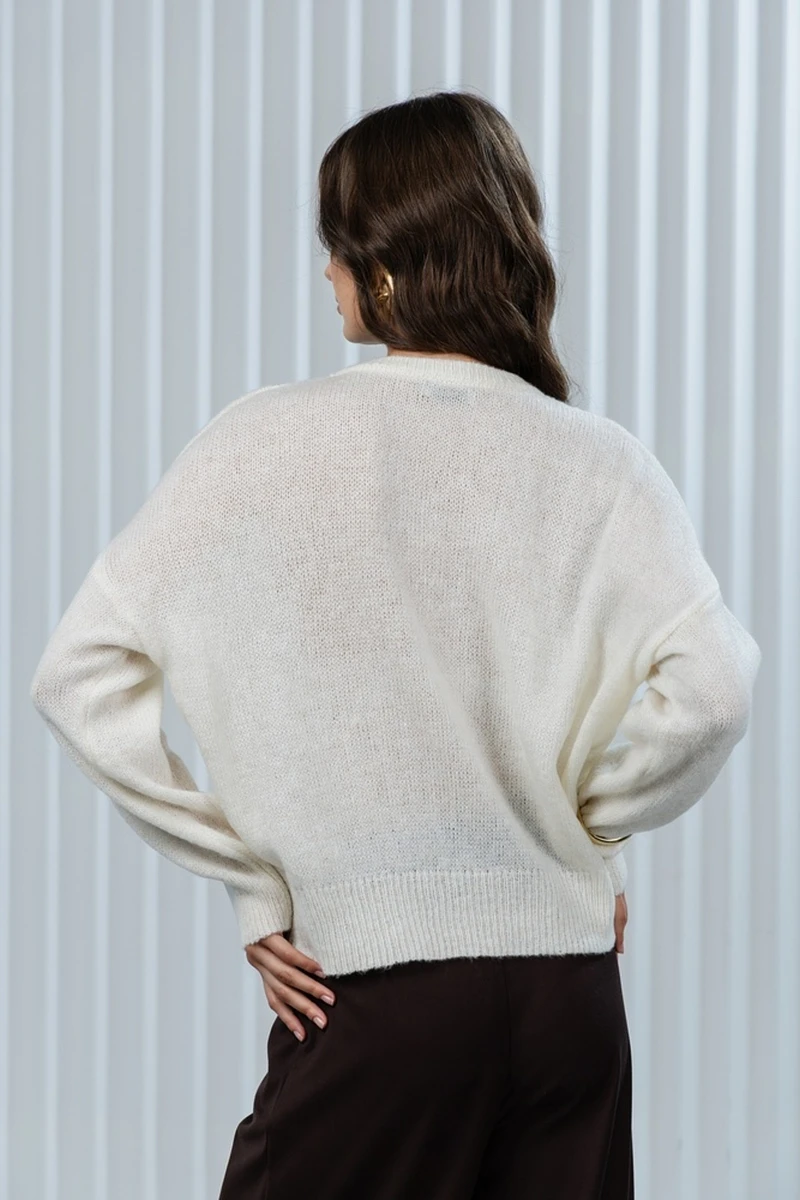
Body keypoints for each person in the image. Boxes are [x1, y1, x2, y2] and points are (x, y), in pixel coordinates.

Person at [29, 91, 761, 1199]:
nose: (325, 269)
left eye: (338, 243)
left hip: (377, 997)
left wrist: (251, 882)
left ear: (384, 269)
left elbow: (75, 673)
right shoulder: (602, 459)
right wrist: (578, 838)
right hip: (569, 1004)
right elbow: (713, 690)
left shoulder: (261, 443)